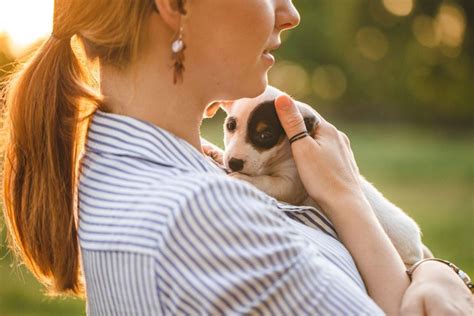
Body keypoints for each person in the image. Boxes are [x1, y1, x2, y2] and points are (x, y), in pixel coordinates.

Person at [1, 0, 472, 315]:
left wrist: (432, 270)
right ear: (176, 5)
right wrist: (442, 276)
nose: (290, 13)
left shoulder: (148, 170)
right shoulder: (200, 216)